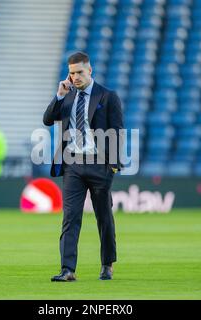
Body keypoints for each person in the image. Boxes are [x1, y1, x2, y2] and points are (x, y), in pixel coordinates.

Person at [43, 52, 124, 281]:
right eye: (71, 73)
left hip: (100, 165)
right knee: (70, 217)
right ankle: (68, 269)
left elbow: (118, 131)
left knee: (104, 216)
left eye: (79, 72)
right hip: (73, 166)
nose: (75, 77)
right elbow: (47, 120)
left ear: (90, 71)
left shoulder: (108, 97)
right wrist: (59, 95)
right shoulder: (67, 97)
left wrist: (113, 166)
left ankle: (107, 264)